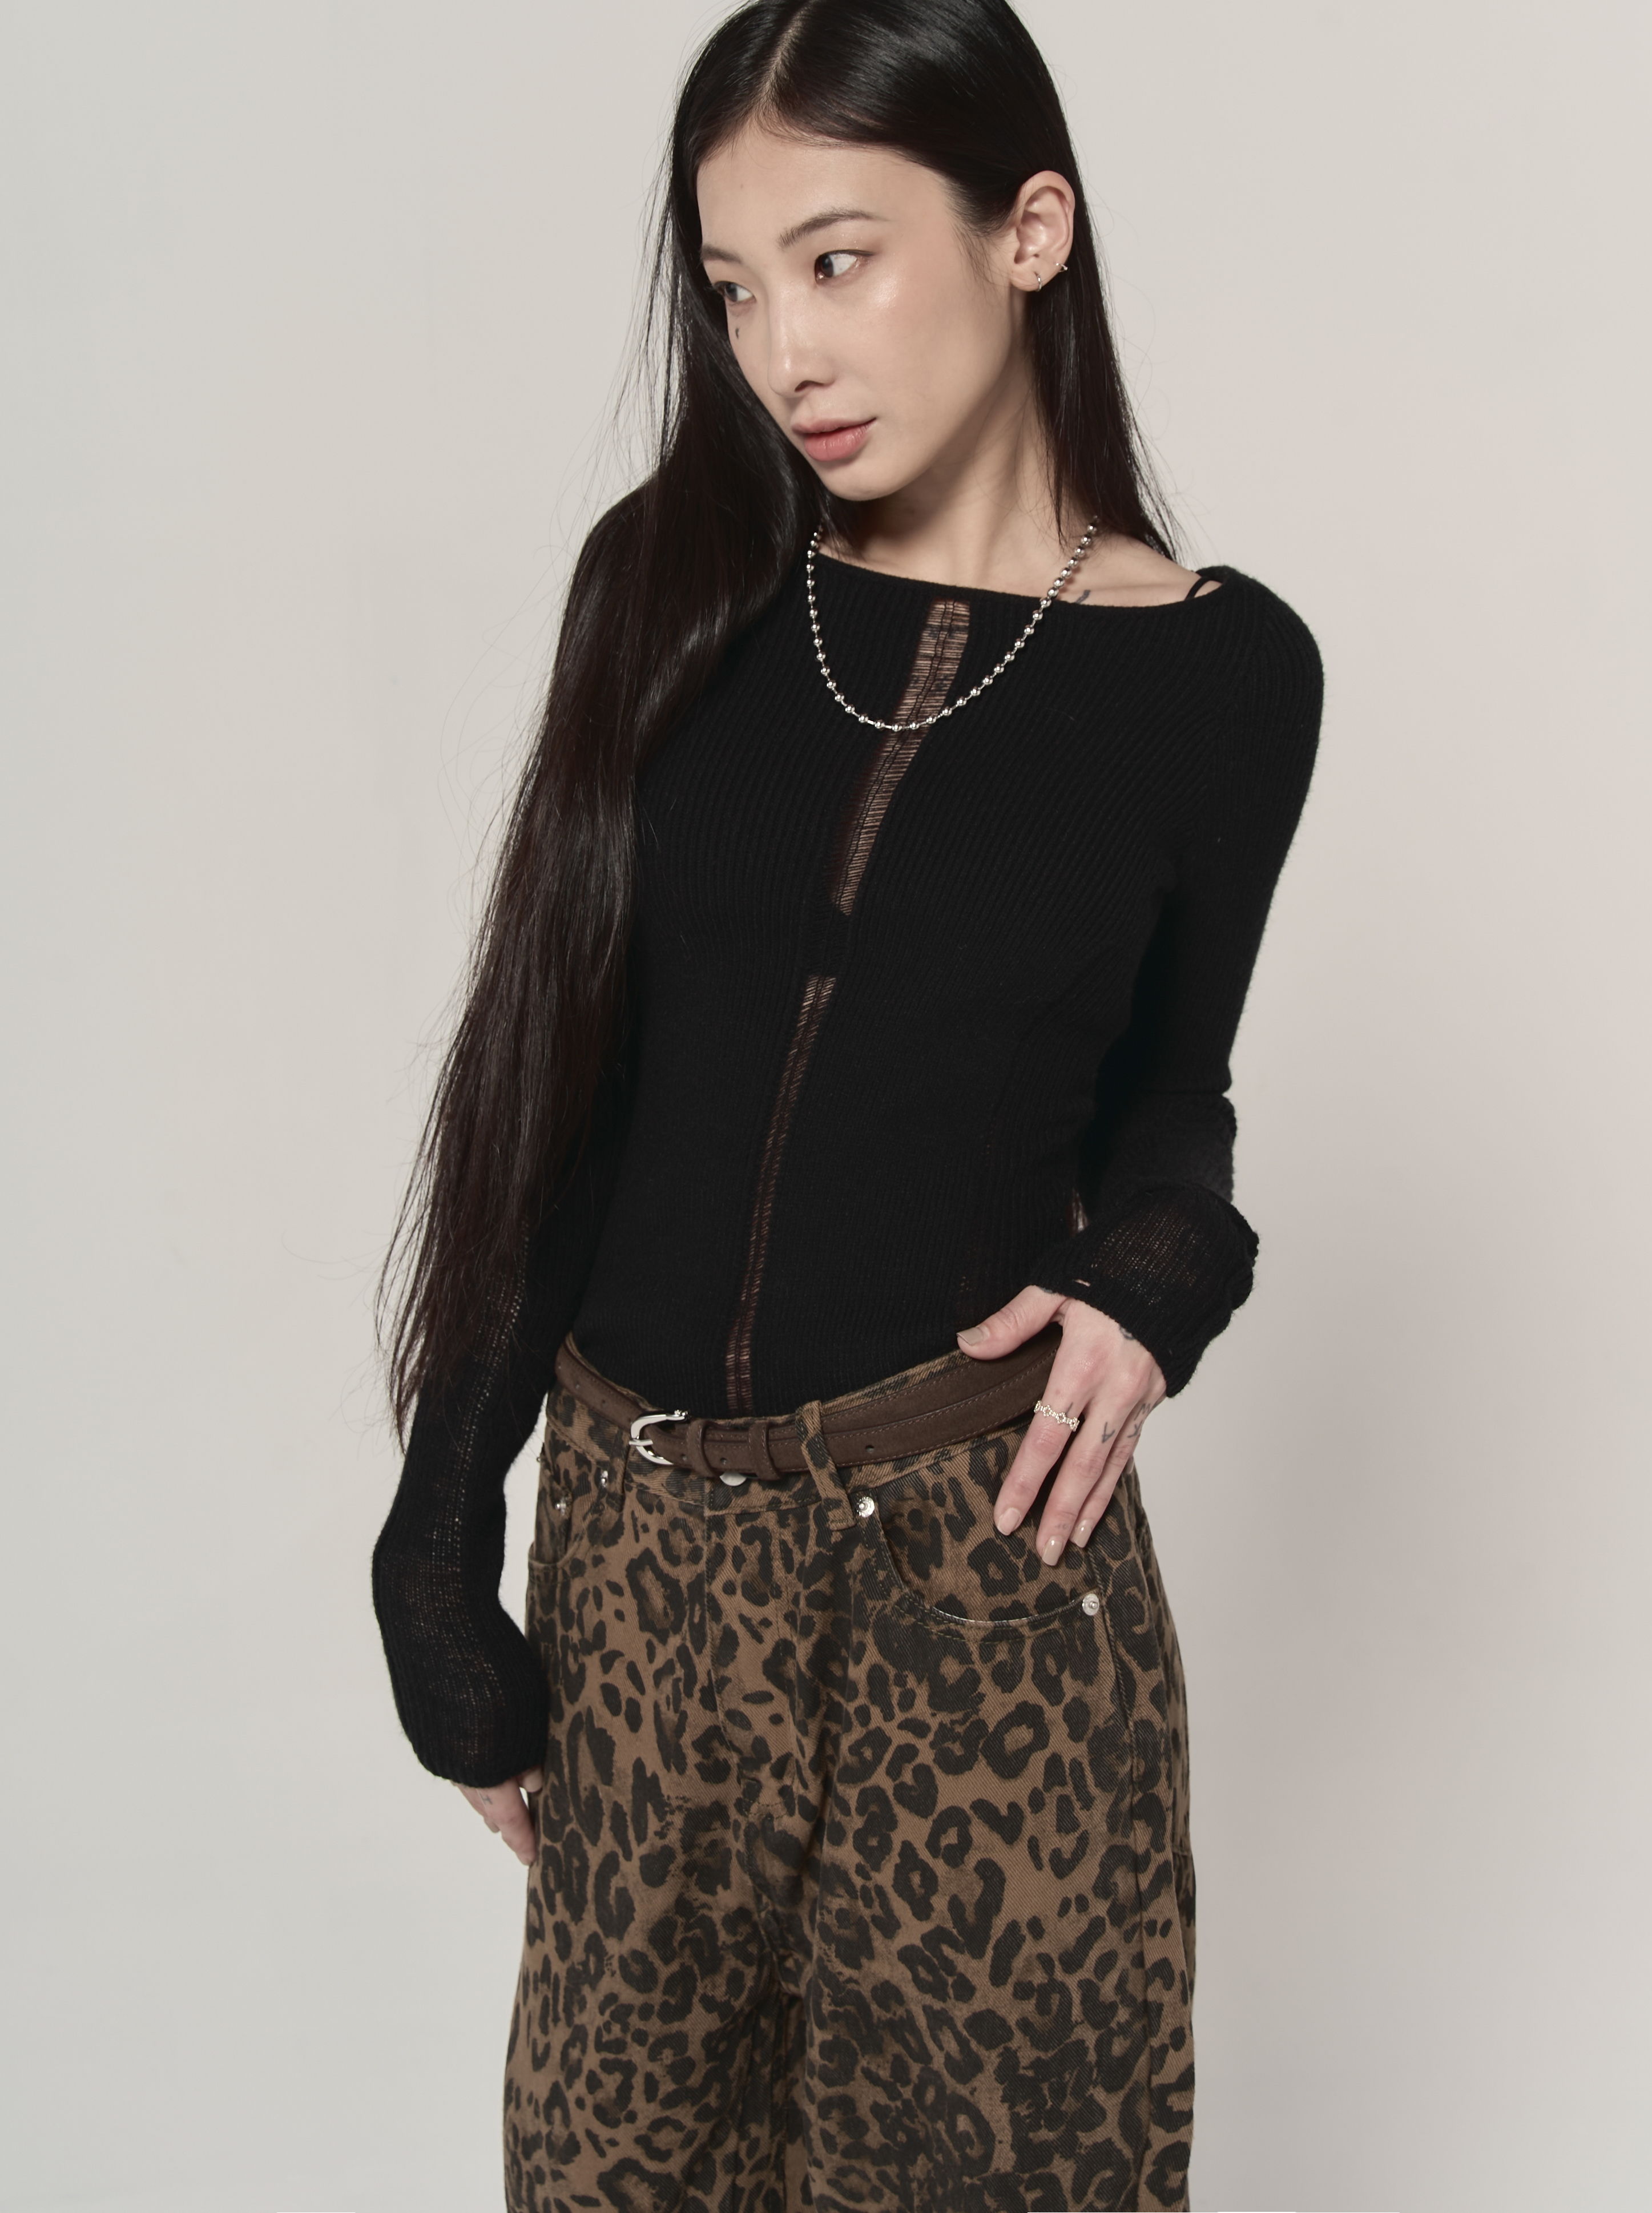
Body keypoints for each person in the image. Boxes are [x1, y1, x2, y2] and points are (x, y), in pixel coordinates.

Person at [372, 2, 1322, 2206]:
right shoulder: (673, 584)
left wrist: (1163, 1271)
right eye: (729, 289)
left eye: (836, 260)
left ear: (1026, 230)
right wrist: (435, 1541)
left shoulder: (1219, 672)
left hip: (985, 1570)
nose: (781, 350)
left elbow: (1173, 1093)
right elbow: (552, 1082)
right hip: (645, 1574)